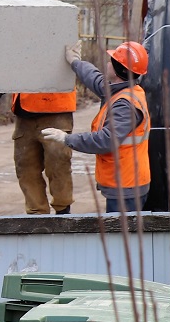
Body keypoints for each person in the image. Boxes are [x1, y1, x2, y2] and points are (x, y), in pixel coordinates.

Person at [0, 0, 78, 214]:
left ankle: (63, 212)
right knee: (26, 167)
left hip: (56, 113)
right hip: (25, 114)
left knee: (58, 164)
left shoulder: (62, 34)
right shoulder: (19, 34)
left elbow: (74, 63)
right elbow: (12, 66)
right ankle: (37, 215)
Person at [42, 41, 151, 213]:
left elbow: (105, 140)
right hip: (126, 183)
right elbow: (94, 77)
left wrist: (67, 138)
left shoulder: (125, 105)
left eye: (112, 60)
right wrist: (75, 62)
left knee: (120, 238)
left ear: (117, 69)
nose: (107, 62)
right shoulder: (122, 90)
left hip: (126, 187)